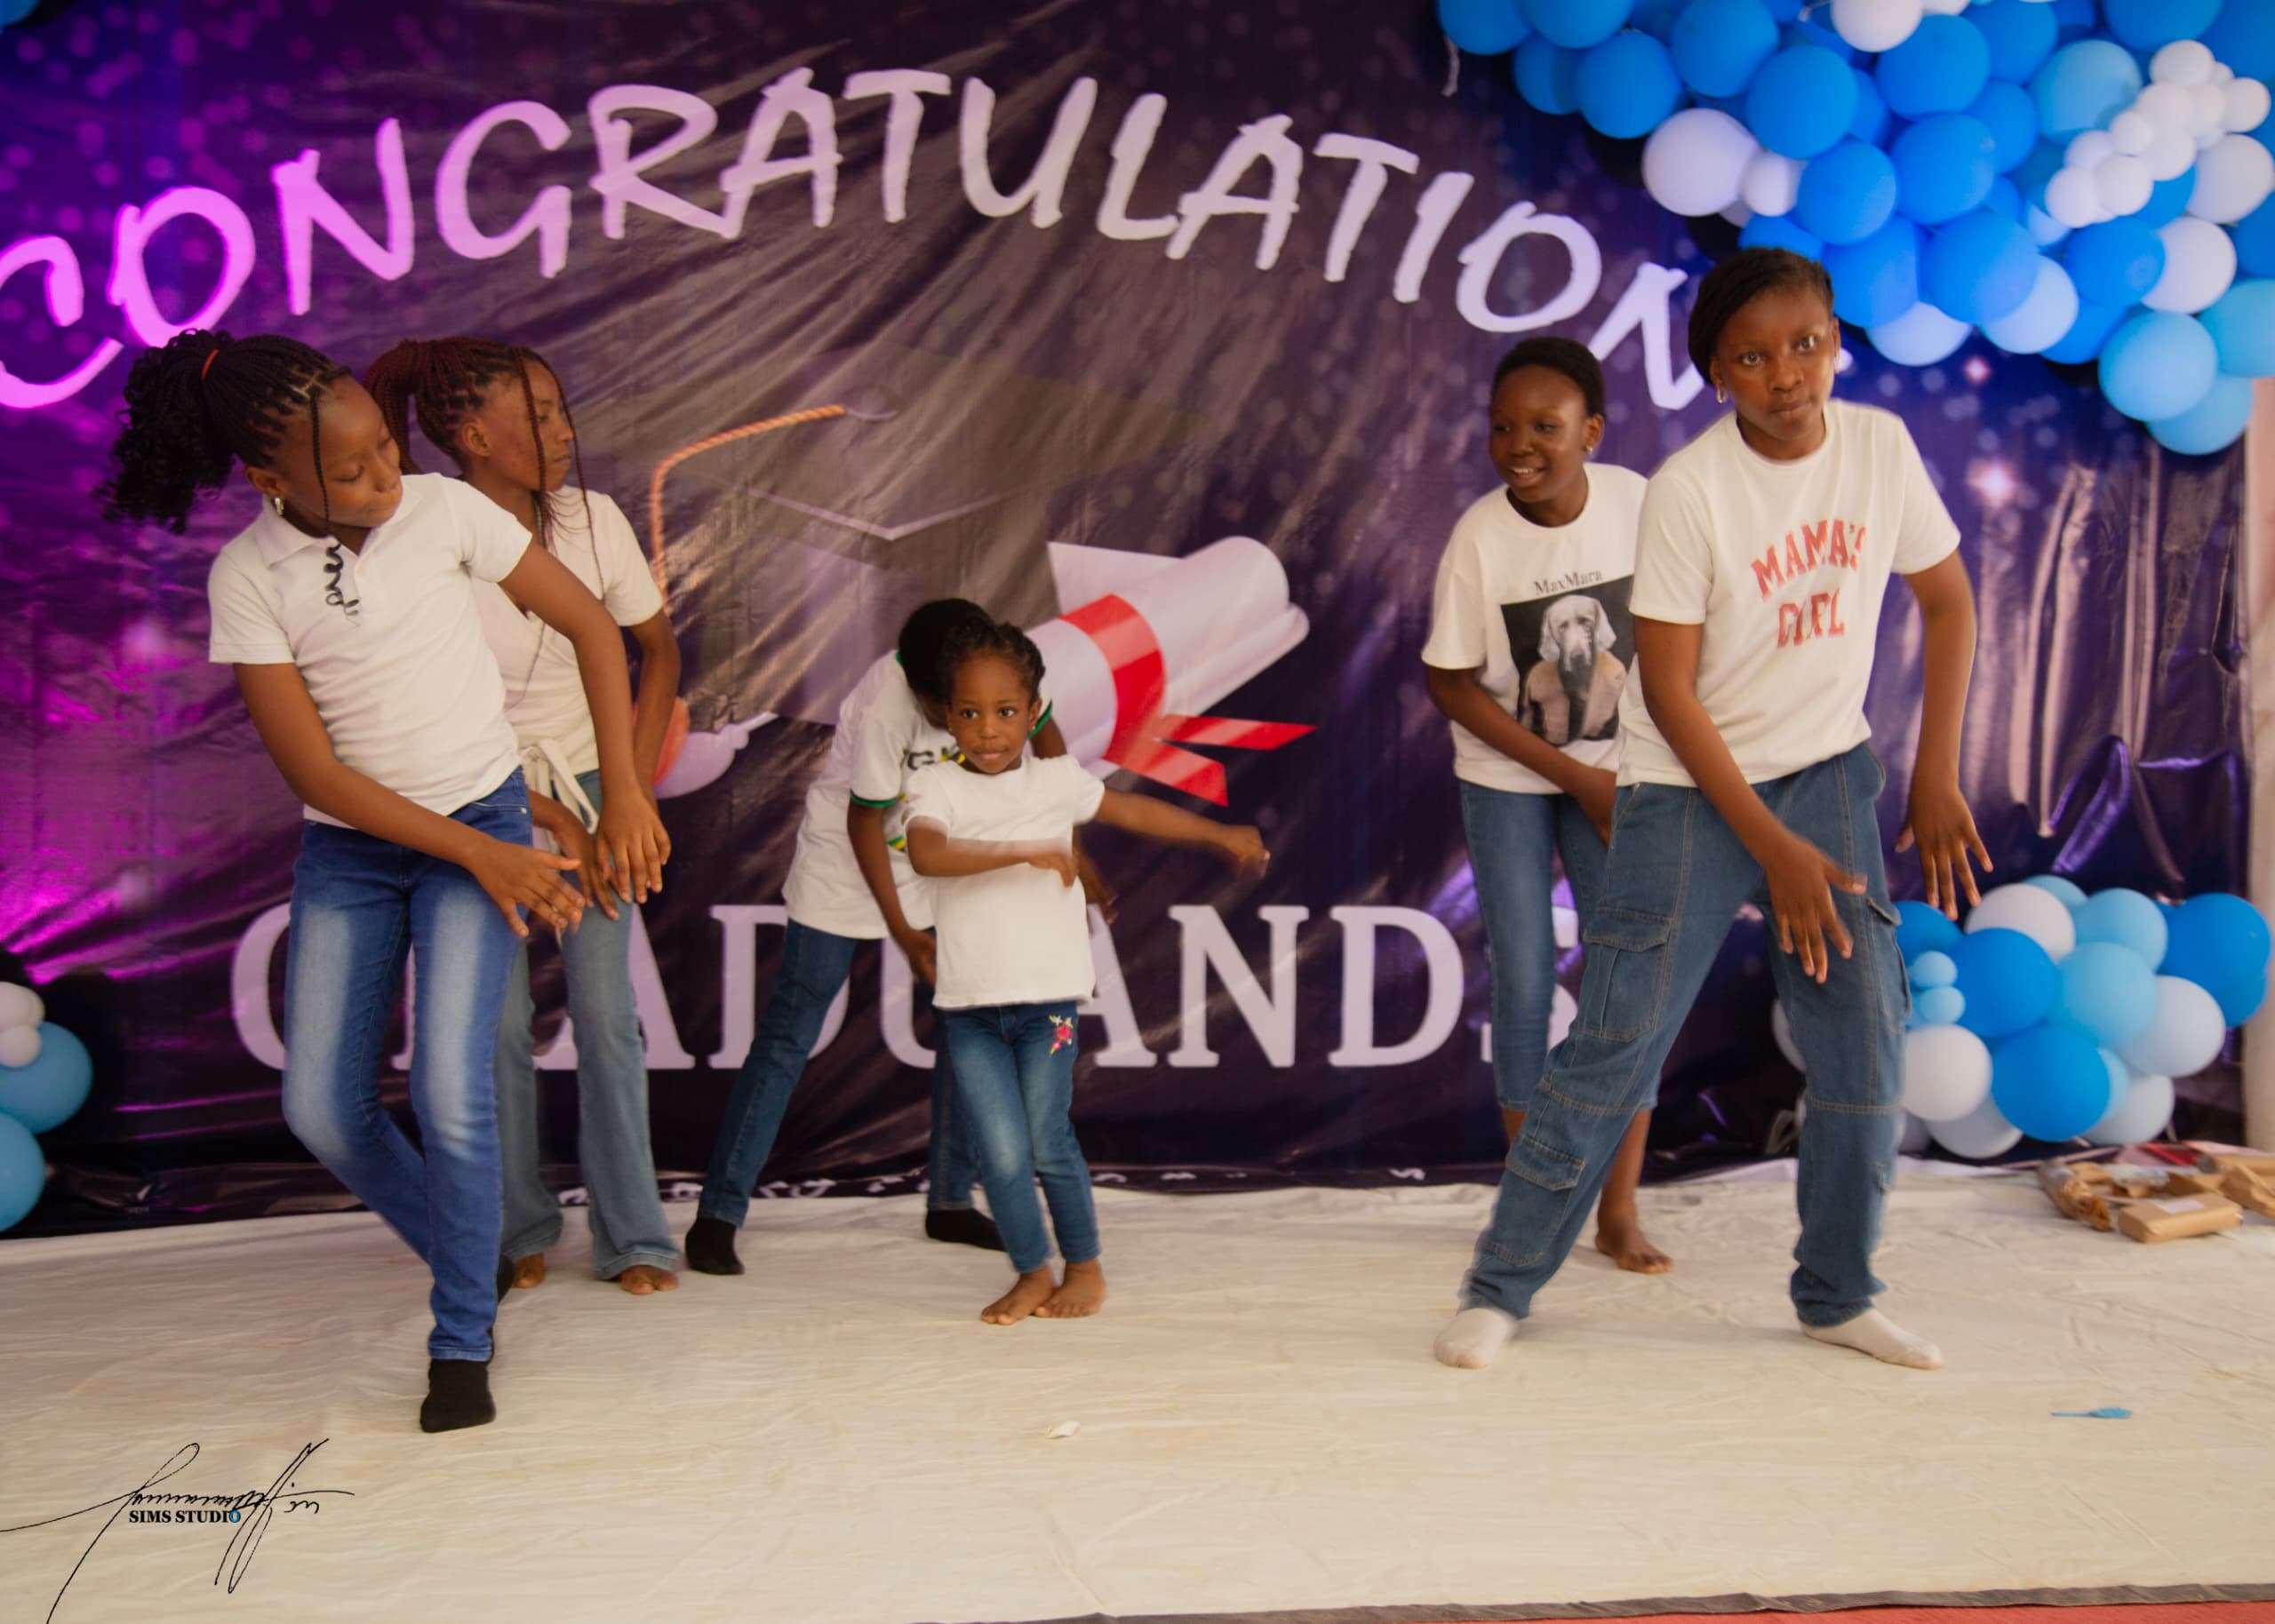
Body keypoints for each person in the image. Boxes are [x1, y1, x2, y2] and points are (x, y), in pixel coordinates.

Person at [99, 330, 668, 1431]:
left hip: (481, 813)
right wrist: (486, 856)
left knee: (454, 1092)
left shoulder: (445, 512)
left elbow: (597, 630)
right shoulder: (248, 577)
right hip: (357, 853)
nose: (385, 477)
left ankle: (461, 1339)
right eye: (352, 470)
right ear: (268, 481)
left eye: (384, 451)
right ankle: (471, 1251)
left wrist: (625, 792)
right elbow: (316, 775)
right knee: (320, 1107)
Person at [1434, 249, 1989, 1373]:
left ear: (1836, 340)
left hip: (1827, 774)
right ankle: (1499, 1287)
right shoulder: (1690, 490)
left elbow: (1946, 599)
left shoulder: (1879, 447)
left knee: (1863, 1042)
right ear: (1715, 373)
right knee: (1616, 1038)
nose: (1787, 374)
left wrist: (1934, 772)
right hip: (1689, 786)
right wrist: (1771, 847)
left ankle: (1837, 1293)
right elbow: (1671, 695)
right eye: (1752, 357)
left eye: (1806, 344)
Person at [364, 336, 682, 1299]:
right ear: (473, 436)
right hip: (475, 793)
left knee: (607, 1017)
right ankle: (517, 1226)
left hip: (594, 781)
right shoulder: (426, 536)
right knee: (493, 1026)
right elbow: (423, 713)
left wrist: (625, 792)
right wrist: (541, 813)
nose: (563, 430)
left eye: (558, 408)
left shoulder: (593, 520)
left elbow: (656, 651)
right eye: (538, 415)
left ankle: (634, 1235)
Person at [684, 601, 1107, 1275]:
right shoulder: (885, 704)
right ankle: (718, 1213)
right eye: (947, 710)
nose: (960, 723)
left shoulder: (993, 668)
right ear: (918, 686)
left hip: (951, 853)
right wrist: (905, 933)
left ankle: (950, 1201)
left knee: (973, 1017)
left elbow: (1051, 758)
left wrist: (1071, 847)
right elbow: (864, 825)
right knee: (790, 1031)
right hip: (850, 869)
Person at [903, 617, 1267, 1323]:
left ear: (1033, 712)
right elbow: (926, 854)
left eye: (1005, 712)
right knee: (1000, 1153)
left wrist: (1218, 833)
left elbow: (1133, 810)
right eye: (969, 714)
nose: (987, 730)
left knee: (1046, 1139)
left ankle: (1085, 1268)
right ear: (947, 715)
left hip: (1048, 1007)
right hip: (970, 1010)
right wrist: (1020, 851)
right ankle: (1031, 1271)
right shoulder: (936, 789)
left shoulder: (1056, 779)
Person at [1423, 336, 1667, 1275]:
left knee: (1628, 985)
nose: (1519, 445)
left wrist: (1637, 773)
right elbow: (1451, 683)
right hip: (1511, 775)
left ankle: (1617, 1209)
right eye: (1502, 427)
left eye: (1544, 427)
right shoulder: (1481, 539)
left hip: (1623, 774)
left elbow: (1682, 636)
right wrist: (1575, 778)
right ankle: (1533, 1208)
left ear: (1591, 432)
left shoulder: (1640, 504)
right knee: (1526, 982)